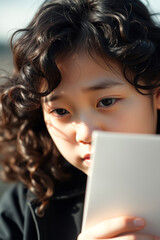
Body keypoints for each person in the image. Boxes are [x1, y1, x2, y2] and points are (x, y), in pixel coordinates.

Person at [0, 0, 160, 239]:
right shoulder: (23, 208)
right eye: (61, 111)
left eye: (106, 102)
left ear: (156, 92)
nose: (85, 133)